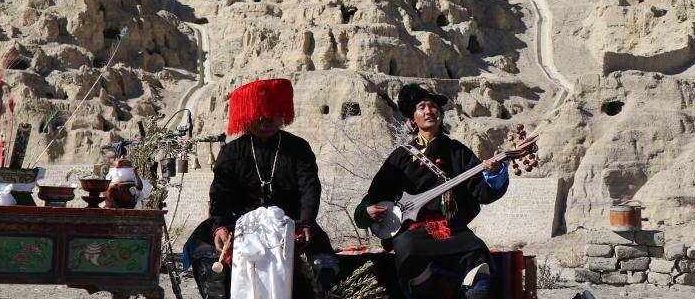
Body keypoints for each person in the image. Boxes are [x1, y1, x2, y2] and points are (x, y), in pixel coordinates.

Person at [187, 78, 338, 299]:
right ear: (246, 116)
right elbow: (220, 193)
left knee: (320, 265)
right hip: (238, 224)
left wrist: (306, 222)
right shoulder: (231, 152)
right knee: (204, 254)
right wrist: (219, 226)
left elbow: (310, 188)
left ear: (281, 114)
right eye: (258, 114)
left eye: (271, 113)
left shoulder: (298, 148)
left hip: (292, 223)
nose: (264, 119)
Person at [354, 83, 509, 299]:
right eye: (421, 107)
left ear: (441, 115)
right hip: (413, 232)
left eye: (433, 106)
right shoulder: (401, 156)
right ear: (412, 119)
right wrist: (366, 211)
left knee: (476, 250)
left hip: (451, 229)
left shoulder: (457, 151)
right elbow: (373, 197)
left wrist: (495, 172)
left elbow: (482, 192)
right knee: (407, 247)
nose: (428, 111)